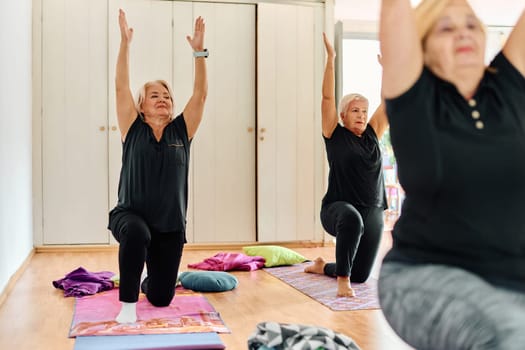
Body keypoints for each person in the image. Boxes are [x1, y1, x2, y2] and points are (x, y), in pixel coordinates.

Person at [378, 0, 525, 348]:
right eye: (446, 28)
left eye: (471, 24)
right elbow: (395, 14)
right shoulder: (414, 99)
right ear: (422, 46)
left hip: (512, 276)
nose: (463, 32)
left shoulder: (510, 88)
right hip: (425, 275)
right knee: (511, 336)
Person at [108, 9, 208, 324]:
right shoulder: (132, 127)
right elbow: (121, 86)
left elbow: (201, 95)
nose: (162, 99)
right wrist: (125, 44)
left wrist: (199, 53)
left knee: (162, 298)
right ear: (141, 104)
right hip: (131, 216)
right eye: (154, 95)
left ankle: (149, 279)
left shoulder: (182, 131)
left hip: (170, 227)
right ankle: (127, 306)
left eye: (166, 95)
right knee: (136, 234)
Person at [304, 33, 389, 297]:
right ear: (343, 115)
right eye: (355, 110)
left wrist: (387, 69)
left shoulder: (373, 133)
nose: (362, 115)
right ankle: (342, 280)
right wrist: (331, 59)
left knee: (362, 275)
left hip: (373, 208)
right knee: (351, 220)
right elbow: (327, 98)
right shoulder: (334, 133)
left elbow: (388, 101)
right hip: (337, 209)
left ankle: (323, 267)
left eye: (364, 111)